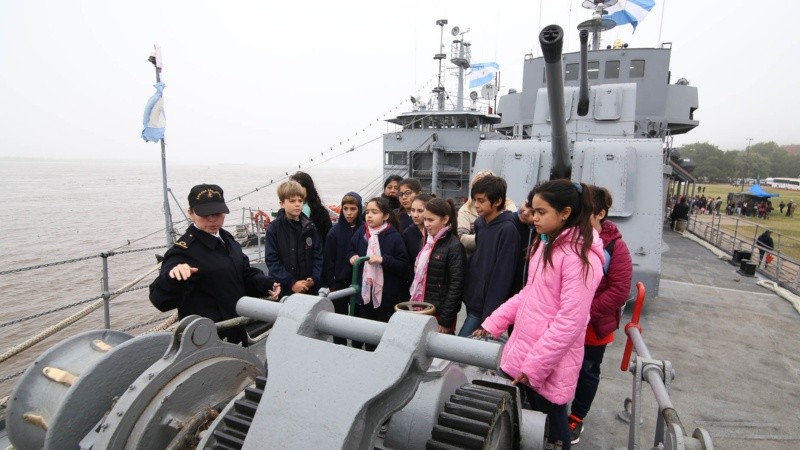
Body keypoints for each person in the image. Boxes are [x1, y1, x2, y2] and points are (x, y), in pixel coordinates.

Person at [473, 180, 604, 450]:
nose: (533, 218)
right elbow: (528, 294)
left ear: (565, 213)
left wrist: (533, 368)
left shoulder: (581, 260)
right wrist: (494, 323)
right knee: (517, 423)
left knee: (554, 432)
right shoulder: (547, 246)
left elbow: (570, 322)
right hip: (525, 354)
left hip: (547, 365)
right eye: (533, 211)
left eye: (541, 212)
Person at [149, 184, 280, 346]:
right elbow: (159, 300)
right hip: (207, 340)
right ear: (191, 213)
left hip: (236, 330)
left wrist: (267, 283)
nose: (212, 219)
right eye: (205, 214)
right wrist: (172, 278)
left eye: (217, 214)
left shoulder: (227, 240)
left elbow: (245, 274)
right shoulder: (183, 251)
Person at [567, 186, 633, 444]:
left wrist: (583, 312)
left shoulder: (616, 248)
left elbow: (618, 292)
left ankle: (577, 417)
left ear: (601, 214)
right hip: (569, 321)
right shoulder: (571, 238)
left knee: (587, 371)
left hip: (593, 326)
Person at [458, 175, 521, 337]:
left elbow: (502, 276)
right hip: (474, 297)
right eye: (474, 200)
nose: (476, 205)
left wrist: (489, 317)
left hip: (486, 305)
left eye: (481, 201)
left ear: (498, 201)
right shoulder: (480, 223)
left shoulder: (507, 230)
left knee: (460, 347)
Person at [348, 197, 410, 351]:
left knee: (383, 334)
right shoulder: (361, 232)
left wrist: (383, 260)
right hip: (364, 294)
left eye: (374, 212)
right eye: (367, 212)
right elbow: (351, 249)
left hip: (386, 296)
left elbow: (403, 265)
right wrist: (352, 256)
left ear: (386, 216)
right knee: (367, 332)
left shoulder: (393, 237)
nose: (369, 215)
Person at [409, 198, 466, 333]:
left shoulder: (454, 247)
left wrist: (445, 320)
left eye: (431, 220)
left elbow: (456, 287)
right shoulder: (425, 241)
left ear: (445, 219)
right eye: (425, 219)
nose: (426, 224)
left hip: (439, 313)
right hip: (422, 307)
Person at [265, 180, 323, 296]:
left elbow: (318, 255)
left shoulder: (310, 227)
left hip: (308, 289)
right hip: (285, 291)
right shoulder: (274, 228)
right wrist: (291, 283)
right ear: (282, 203)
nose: (297, 204)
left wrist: (314, 278)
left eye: (300, 201)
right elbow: (272, 260)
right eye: (292, 201)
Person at [322, 192, 364, 345]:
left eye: (353, 209)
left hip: (360, 282)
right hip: (339, 283)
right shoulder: (334, 233)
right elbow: (329, 260)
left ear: (359, 209)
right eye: (345, 209)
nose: (348, 213)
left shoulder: (364, 231)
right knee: (338, 320)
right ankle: (339, 346)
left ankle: (357, 346)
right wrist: (331, 284)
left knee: (358, 321)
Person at [457, 170, 517, 258]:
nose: (477, 204)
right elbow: (462, 238)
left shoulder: (508, 216)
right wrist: (485, 236)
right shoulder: (466, 211)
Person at [290, 171, 333, 248]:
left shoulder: (321, 213)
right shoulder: (285, 213)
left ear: (308, 188)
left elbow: (328, 240)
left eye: (300, 187)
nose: (296, 190)